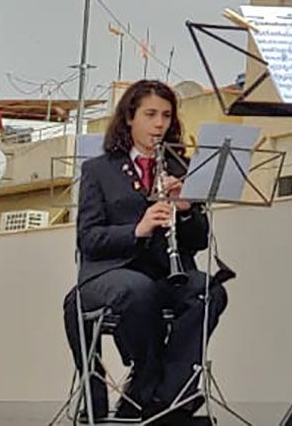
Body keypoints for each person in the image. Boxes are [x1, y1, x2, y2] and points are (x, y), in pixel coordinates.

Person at [61, 79, 226, 423]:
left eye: (166, 115)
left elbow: (198, 240)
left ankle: (165, 399)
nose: (160, 124)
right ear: (129, 118)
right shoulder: (99, 170)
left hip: (164, 273)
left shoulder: (182, 166)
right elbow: (88, 238)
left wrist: (185, 209)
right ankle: (147, 385)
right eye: (150, 114)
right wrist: (138, 229)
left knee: (209, 291)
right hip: (108, 274)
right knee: (138, 290)